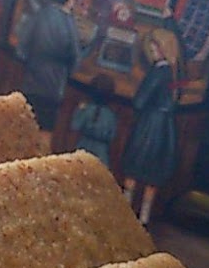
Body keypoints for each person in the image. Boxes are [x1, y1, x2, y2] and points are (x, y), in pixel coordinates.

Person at [119, 31, 178, 224]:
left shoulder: (157, 72)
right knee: (153, 175)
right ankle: (144, 216)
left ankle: (125, 210)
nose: (152, 53)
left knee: (134, 166)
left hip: (149, 125)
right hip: (166, 128)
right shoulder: (173, 72)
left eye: (155, 49)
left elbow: (139, 101)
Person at [15, 0, 82, 138]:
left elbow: (21, 49)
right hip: (53, 88)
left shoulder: (39, 15)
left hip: (31, 82)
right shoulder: (69, 23)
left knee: (23, 131)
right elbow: (75, 59)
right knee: (44, 135)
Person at [69, 74, 118, 167]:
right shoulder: (112, 116)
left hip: (83, 148)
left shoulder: (84, 109)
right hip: (101, 153)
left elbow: (74, 126)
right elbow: (112, 137)